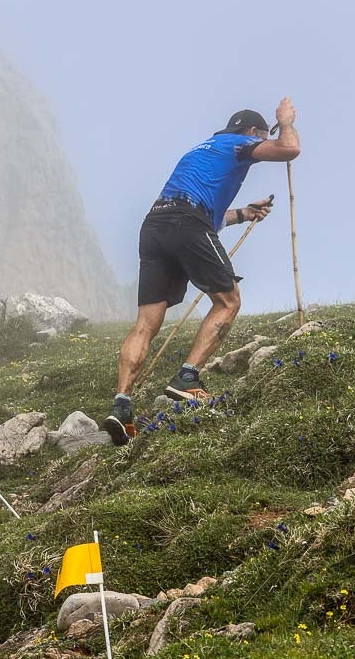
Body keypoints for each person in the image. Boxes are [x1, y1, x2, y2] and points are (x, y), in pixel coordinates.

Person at [104, 98, 300, 445]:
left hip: (156, 224)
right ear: (252, 132)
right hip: (186, 222)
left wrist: (244, 213)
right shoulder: (239, 144)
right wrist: (285, 121)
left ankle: (121, 404)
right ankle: (187, 378)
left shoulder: (202, 150)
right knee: (228, 301)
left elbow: (204, 211)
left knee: (146, 323)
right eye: (260, 135)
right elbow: (289, 149)